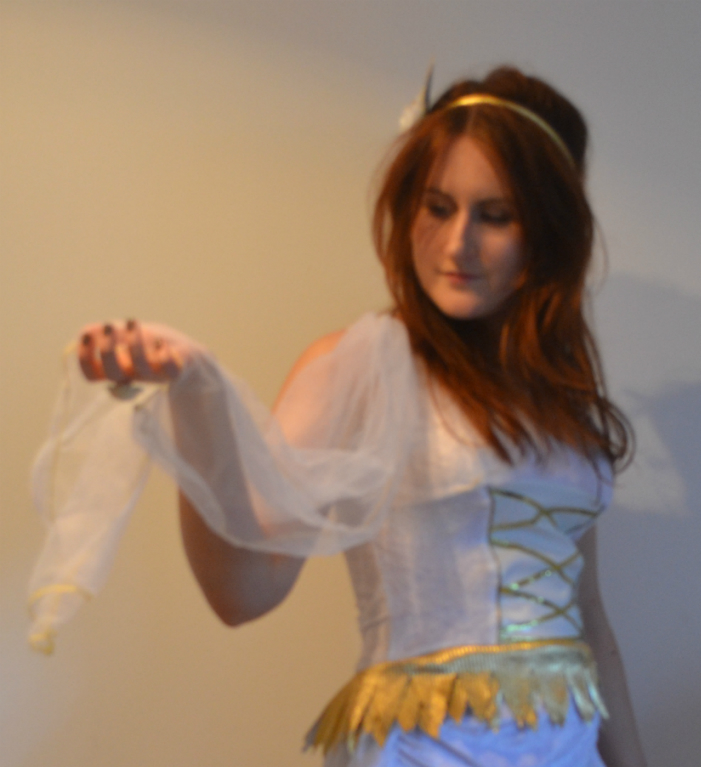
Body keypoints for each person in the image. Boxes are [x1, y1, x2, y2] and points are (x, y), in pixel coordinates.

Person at [30, 66, 647, 767]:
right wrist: (197, 398)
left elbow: (591, 625)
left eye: (495, 215)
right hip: (420, 750)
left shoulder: (564, 398)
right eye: (437, 206)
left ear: (549, 234)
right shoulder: (363, 364)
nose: (456, 244)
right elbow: (243, 590)